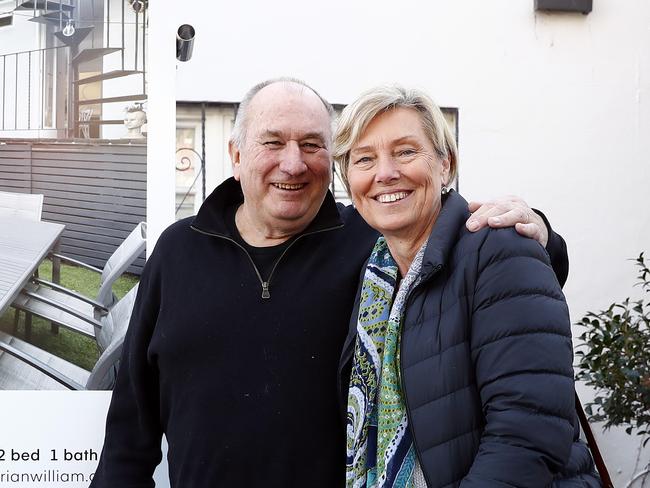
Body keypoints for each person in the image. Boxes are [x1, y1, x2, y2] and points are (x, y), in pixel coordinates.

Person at [90, 78, 569, 487]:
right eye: (273, 143)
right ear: (237, 155)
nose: (293, 163)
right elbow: (133, 415)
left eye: (313, 145)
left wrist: (539, 234)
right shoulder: (179, 250)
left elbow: (463, 245)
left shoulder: (372, 243)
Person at [334, 85, 599, 487]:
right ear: (348, 179)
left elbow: (526, 434)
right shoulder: (375, 277)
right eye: (364, 159)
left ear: (446, 164)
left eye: (406, 151)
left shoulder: (499, 249)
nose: (384, 173)